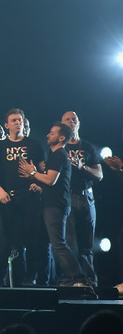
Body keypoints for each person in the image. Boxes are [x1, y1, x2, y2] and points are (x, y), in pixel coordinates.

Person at [18, 123, 88, 289]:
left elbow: (51, 180)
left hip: (56, 205)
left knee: (58, 243)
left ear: (61, 137)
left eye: (52, 132)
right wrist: (36, 179)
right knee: (45, 243)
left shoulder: (59, 155)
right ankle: (45, 279)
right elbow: (50, 181)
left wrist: (33, 173)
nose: (48, 135)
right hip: (49, 204)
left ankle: (77, 276)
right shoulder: (54, 154)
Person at [0, 109, 46, 286]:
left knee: (32, 239)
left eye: (20, 120)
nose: (17, 123)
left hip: (30, 197)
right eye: (13, 120)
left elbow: (44, 170)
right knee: (10, 241)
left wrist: (40, 182)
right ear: (6, 125)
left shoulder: (34, 144)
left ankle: (32, 278)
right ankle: (9, 279)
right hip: (9, 198)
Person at [61, 111, 103, 287]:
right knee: (69, 242)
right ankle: (72, 280)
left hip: (86, 197)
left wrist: (83, 167)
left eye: (74, 119)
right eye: (67, 120)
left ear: (79, 123)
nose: (71, 122)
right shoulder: (60, 148)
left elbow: (99, 174)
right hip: (68, 196)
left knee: (87, 244)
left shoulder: (87, 147)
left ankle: (90, 281)